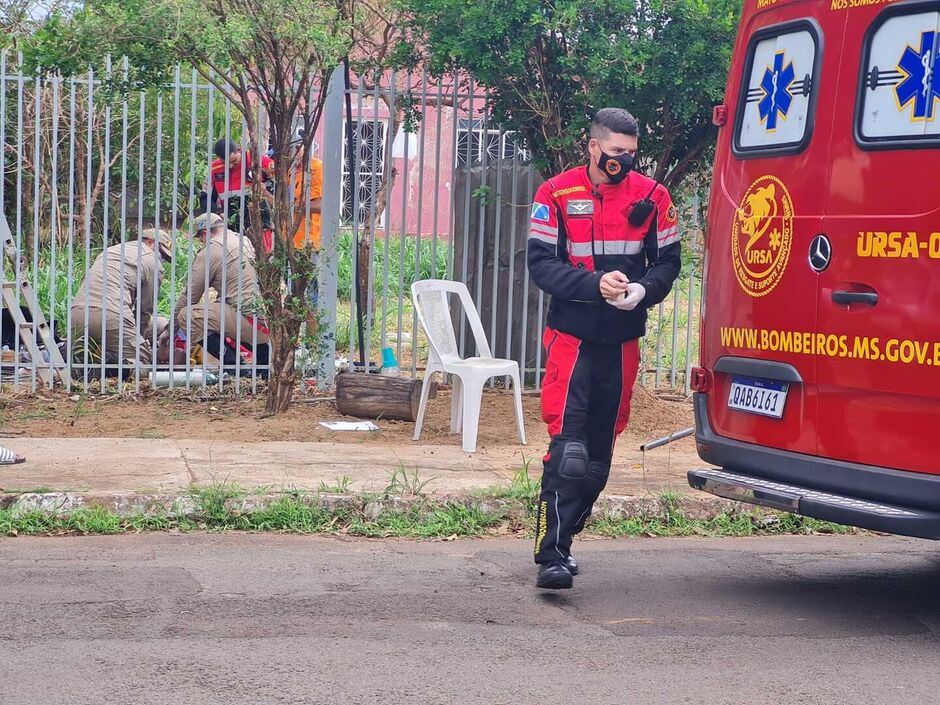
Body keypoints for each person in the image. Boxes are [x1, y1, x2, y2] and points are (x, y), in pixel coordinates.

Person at [527, 108, 682, 589]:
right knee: (568, 449)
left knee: (597, 457)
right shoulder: (555, 193)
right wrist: (595, 284)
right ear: (594, 147)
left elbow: (669, 261)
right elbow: (540, 266)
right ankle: (550, 552)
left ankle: (567, 539)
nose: (624, 162)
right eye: (616, 153)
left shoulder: (655, 197)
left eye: (632, 154)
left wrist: (642, 290)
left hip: (622, 342)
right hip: (571, 339)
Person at [171, 212, 269, 368]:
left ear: (204, 233)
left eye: (200, 238)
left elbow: (189, 296)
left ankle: (234, 366)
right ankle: (263, 361)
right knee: (223, 306)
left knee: (187, 316)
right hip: (271, 319)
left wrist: (170, 330)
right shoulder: (244, 240)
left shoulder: (212, 250)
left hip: (252, 321)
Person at [70, 229, 173, 370]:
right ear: (150, 242)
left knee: (79, 363)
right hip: (111, 316)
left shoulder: (111, 251)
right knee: (142, 366)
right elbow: (145, 309)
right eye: (162, 254)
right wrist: (139, 341)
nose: (161, 260)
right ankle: (103, 370)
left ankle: (93, 362)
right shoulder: (151, 260)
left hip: (77, 314)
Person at [200, 139, 274, 234]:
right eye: (225, 163)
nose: (230, 166)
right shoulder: (214, 168)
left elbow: (279, 182)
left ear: (239, 150)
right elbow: (205, 198)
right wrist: (217, 215)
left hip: (259, 221)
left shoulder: (256, 160)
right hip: (231, 221)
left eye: (234, 160)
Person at [290, 137, 324, 333]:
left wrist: (289, 205)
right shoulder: (290, 172)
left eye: (296, 147)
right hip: (291, 243)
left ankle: (313, 345)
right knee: (295, 298)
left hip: (308, 243)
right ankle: (296, 346)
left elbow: (319, 205)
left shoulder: (315, 168)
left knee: (310, 296)